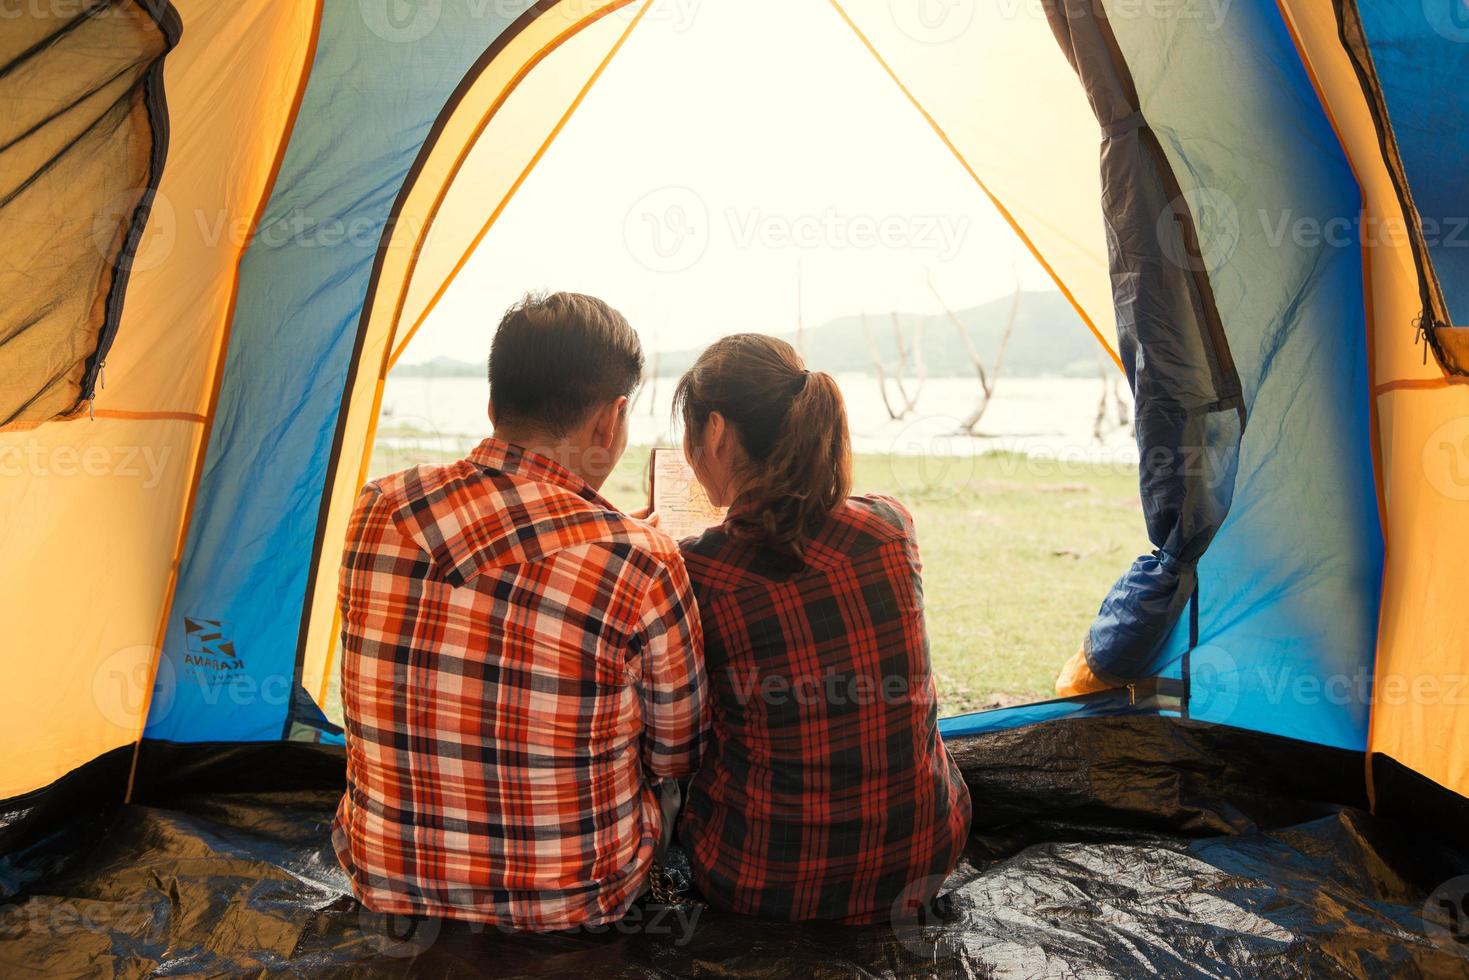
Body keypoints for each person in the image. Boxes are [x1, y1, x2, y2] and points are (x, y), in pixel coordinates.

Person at [332, 292, 705, 932]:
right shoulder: (640, 560)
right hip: (575, 901)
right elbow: (678, 753)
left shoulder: (378, 508)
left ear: (493, 406)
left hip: (383, 878)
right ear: (611, 420)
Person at [671, 334, 972, 923]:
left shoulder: (699, 572)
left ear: (714, 432)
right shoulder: (890, 526)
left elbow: (674, 743)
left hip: (765, 880)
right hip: (925, 855)